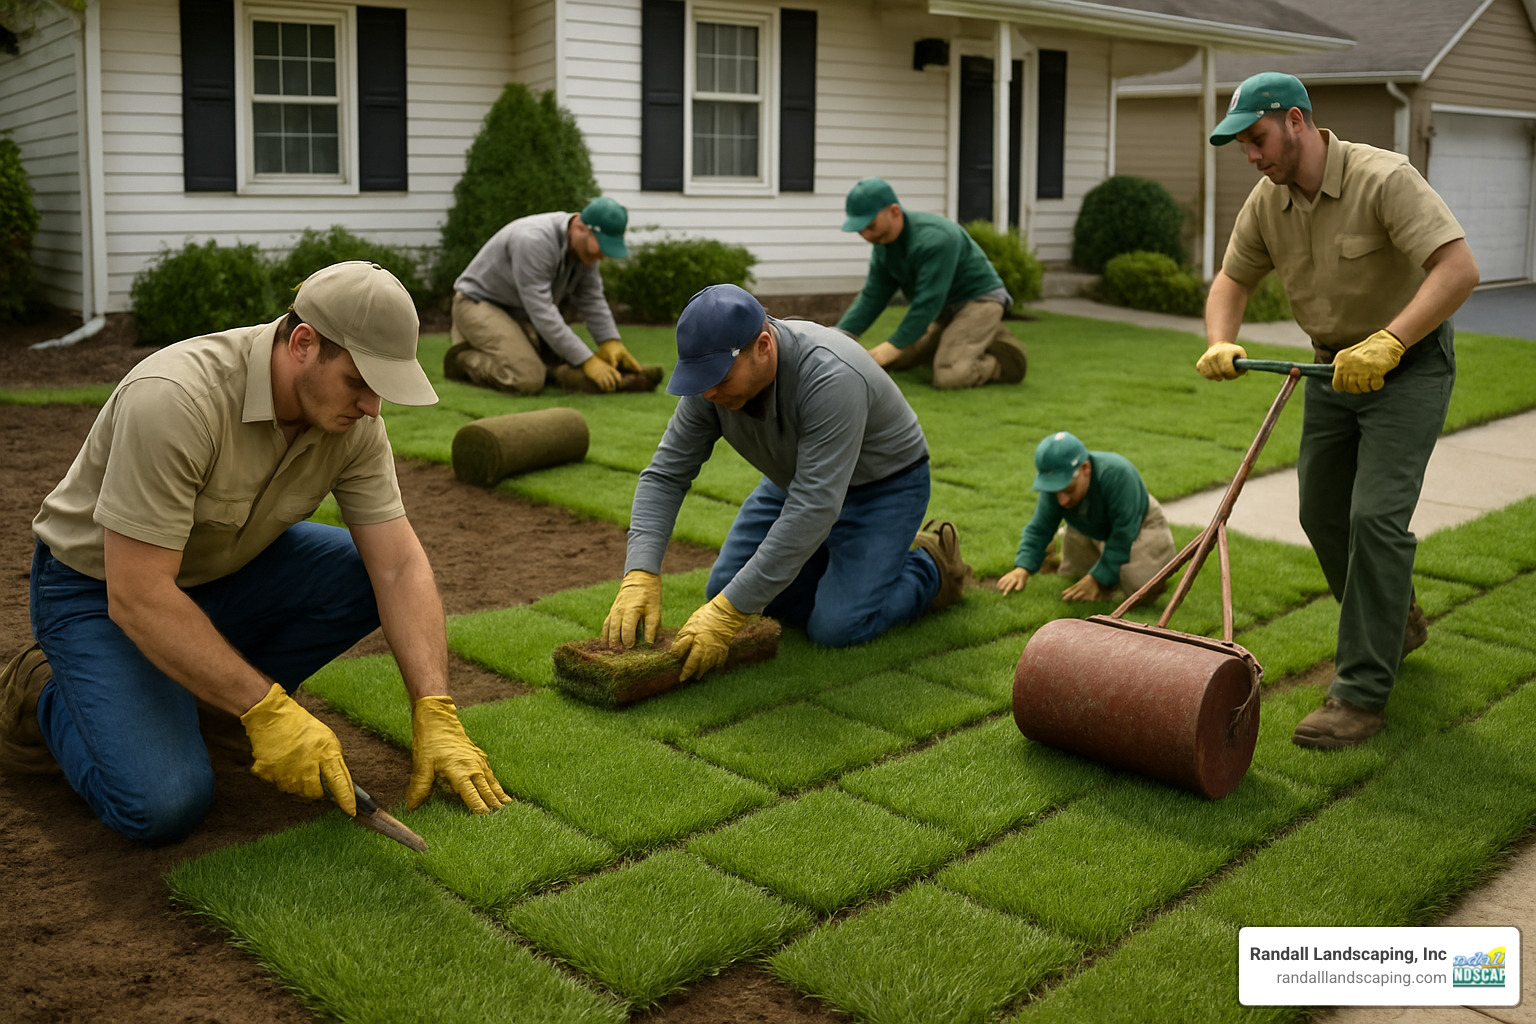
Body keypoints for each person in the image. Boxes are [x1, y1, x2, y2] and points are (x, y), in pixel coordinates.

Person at [2, 261, 510, 845]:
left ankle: (207, 704)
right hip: (100, 590)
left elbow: (397, 564)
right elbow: (138, 594)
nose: (372, 407)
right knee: (163, 804)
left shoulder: (353, 422)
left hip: (224, 568)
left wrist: (435, 709)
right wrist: (266, 708)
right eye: (359, 381)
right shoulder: (176, 399)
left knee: (362, 570)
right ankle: (45, 689)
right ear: (303, 343)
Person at [1199, 72, 1479, 749]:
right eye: (1242, 145)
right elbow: (1232, 279)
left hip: (1406, 367)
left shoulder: (1385, 179)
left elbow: (1458, 268)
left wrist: (1390, 341)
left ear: (1295, 121)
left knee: (1374, 517)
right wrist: (1221, 338)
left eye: (1257, 138)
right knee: (1321, 511)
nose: (1252, 156)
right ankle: (1396, 618)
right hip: (1329, 367)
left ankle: (1359, 694)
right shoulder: (1268, 204)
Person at [601, 284, 973, 680]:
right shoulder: (709, 387)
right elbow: (665, 475)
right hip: (796, 481)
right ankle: (840, 565)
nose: (708, 391)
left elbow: (813, 509)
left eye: (719, 377)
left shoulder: (831, 375)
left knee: (835, 627)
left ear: (763, 346)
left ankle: (930, 565)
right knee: (725, 587)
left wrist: (728, 614)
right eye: (700, 378)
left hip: (885, 488)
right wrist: (640, 572)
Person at [835, 177, 1029, 389]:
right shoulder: (884, 245)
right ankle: (963, 340)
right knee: (896, 361)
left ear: (894, 212)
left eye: (870, 225)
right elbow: (873, 296)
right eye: (860, 229)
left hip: (979, 302)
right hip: (944, 311)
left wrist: (894, 344)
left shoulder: (935, 238)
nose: (866, 235)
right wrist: (840, 336)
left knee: (949, 374)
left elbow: (928, 303)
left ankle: (1002, 360)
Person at [446, 197, 654, 395]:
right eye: (600, 247)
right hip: (478, 305)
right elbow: (543, 312)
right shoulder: (534, 241)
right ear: (580, 226)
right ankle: (462, 359)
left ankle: (541, 362)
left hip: (519, 312)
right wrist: (586, 360)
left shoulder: (583, 251)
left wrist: (609, 341)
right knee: (527, 378)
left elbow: (592, 299)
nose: (601, 256)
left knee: (560, 361)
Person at [998, 431, 1176, 605]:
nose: (1062, 500)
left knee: (1140, 591)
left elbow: (1123, 534)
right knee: (1073, 577)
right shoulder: (1058, 489)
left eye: (1069, 490)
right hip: (1090, 521)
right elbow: (1040, 528)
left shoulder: (1118, 474)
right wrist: (1022, 568)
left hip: (1139, 523)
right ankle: (1086, 561)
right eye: (1055, 492)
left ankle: (1130, 569)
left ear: (1085, 468)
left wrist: (1098, 579)